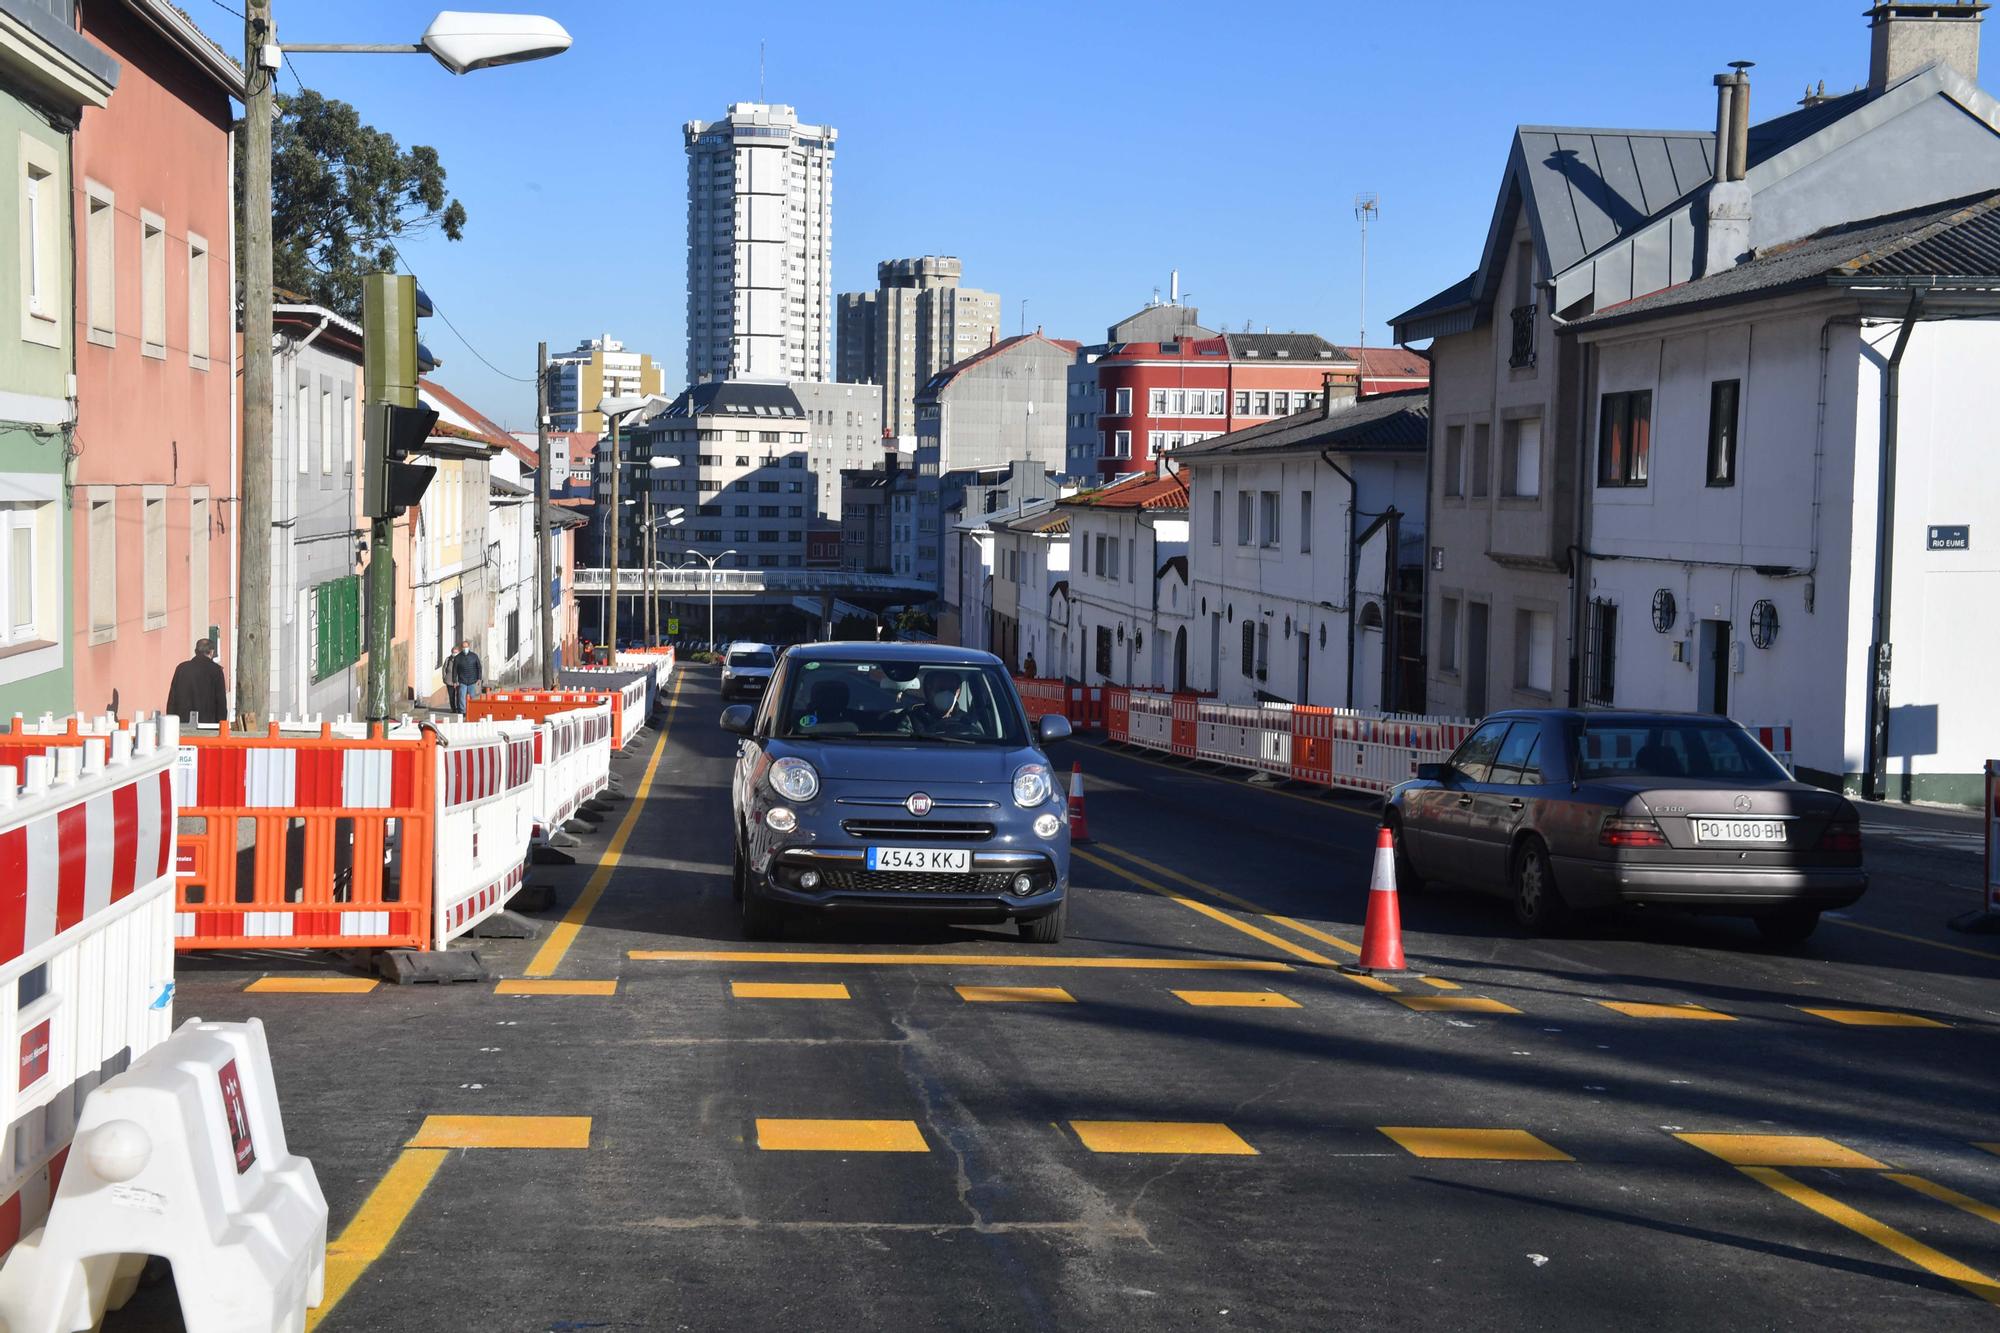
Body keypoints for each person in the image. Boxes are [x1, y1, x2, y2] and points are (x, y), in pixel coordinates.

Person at [166, 639, 229, 724]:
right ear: (211, 652)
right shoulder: (216, 670)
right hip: (207, 725)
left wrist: (170, 722)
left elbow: (172, 698)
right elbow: (221, 701)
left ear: (195, 651)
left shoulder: (181, 668)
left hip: (182, 724)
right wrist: (221, 724)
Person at [447, 639, 483, 713]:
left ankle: (472, 711)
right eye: (463, 647)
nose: (465, 648)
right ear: (461, 648)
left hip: (472, 681)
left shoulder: (474, 656)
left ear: (469, 647)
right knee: (462, 697)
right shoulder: (458, 658)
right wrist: (454, 681)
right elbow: (455, 670)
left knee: (472, 697)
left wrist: (479, 678)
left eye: (466, 647)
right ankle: (463, 711)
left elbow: (479, 667)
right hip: (462, 680)